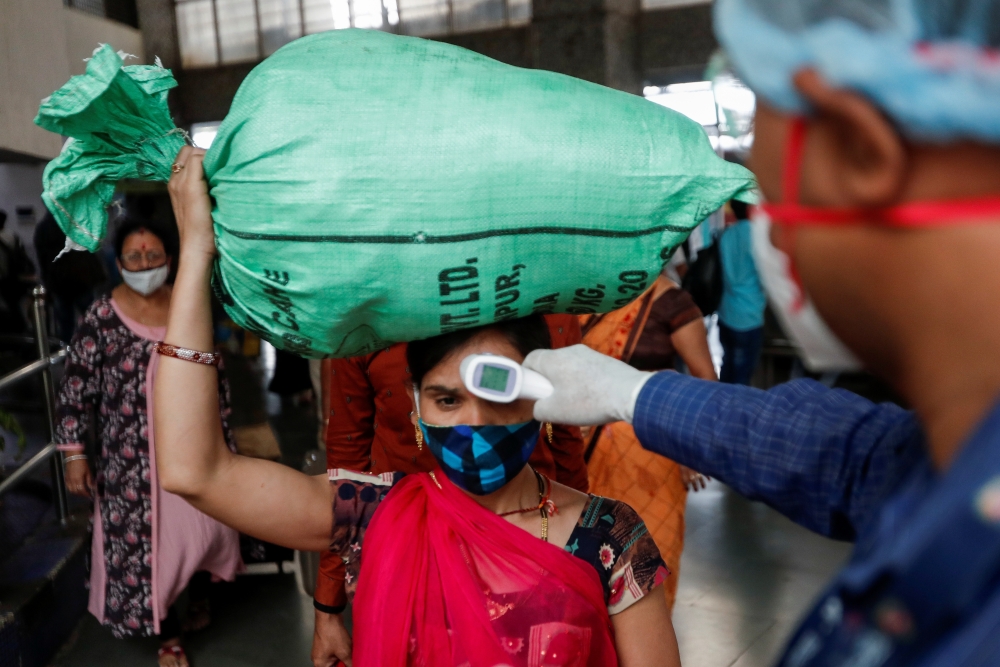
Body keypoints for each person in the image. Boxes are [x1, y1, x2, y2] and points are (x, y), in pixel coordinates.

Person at [523, 0, 1000, 664]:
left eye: (767, 186)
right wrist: (634, 394)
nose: (768, 222)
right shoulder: (950, 459)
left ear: (863, 148)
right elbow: (848, 454)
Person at [155, 145, 680, 666]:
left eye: (498, 395)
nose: (474, 424)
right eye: (447, 400)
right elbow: (194, 472)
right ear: (415, 408)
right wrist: (196, 253)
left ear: (542, 396)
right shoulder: (374, 515)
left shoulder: (610, 537)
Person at [312, 320, 590, 667]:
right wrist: (328, 609)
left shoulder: (548, 317)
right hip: (409, 552)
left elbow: (564, 443)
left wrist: (582, 557)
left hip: (535, 544)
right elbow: (347, 456)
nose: (475, 421)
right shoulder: (370, 322)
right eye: (446, 400)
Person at [56, 218, 242, 667]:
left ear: (170, 259)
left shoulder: (187, 305)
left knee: (203, 532)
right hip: (131, 464)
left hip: (196, 446)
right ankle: (169, 634)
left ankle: (199, 597)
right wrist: (75, 454)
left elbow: (211, 371)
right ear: (118, 264)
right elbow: (75, 388)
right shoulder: (101, 317)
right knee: (149, 551)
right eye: (134, 258)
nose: (144, 264)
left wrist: (225, 435)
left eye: (153, 256)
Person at [578, 273, 715, 611]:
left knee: (649, 555)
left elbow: (706, 380)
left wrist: (690, 447)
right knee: (588, 559)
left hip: (651, 451)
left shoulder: (671, 302)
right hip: (584, 448)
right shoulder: (586, 291)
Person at [33, 211, 106, 342]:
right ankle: (96, 346)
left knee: (65, 323)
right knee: (91, 318)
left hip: (59, 282)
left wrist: (47, 282)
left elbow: (42, 259)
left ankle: (68, 352)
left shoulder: (43, 228)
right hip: (82, 279)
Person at [717, 199, 766, 385]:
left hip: (726, 311)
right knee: (742, 376)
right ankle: (735, 413)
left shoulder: (726, 234)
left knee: (727, 365)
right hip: (749, 315)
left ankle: (720, 408)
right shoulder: (758, 237)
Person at [0, 209, 34, 334]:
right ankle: (22, 329)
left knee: (10, 308)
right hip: (17, 278)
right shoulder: (12, 235)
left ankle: (15, 332)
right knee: (15, 306)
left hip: (5, 280)